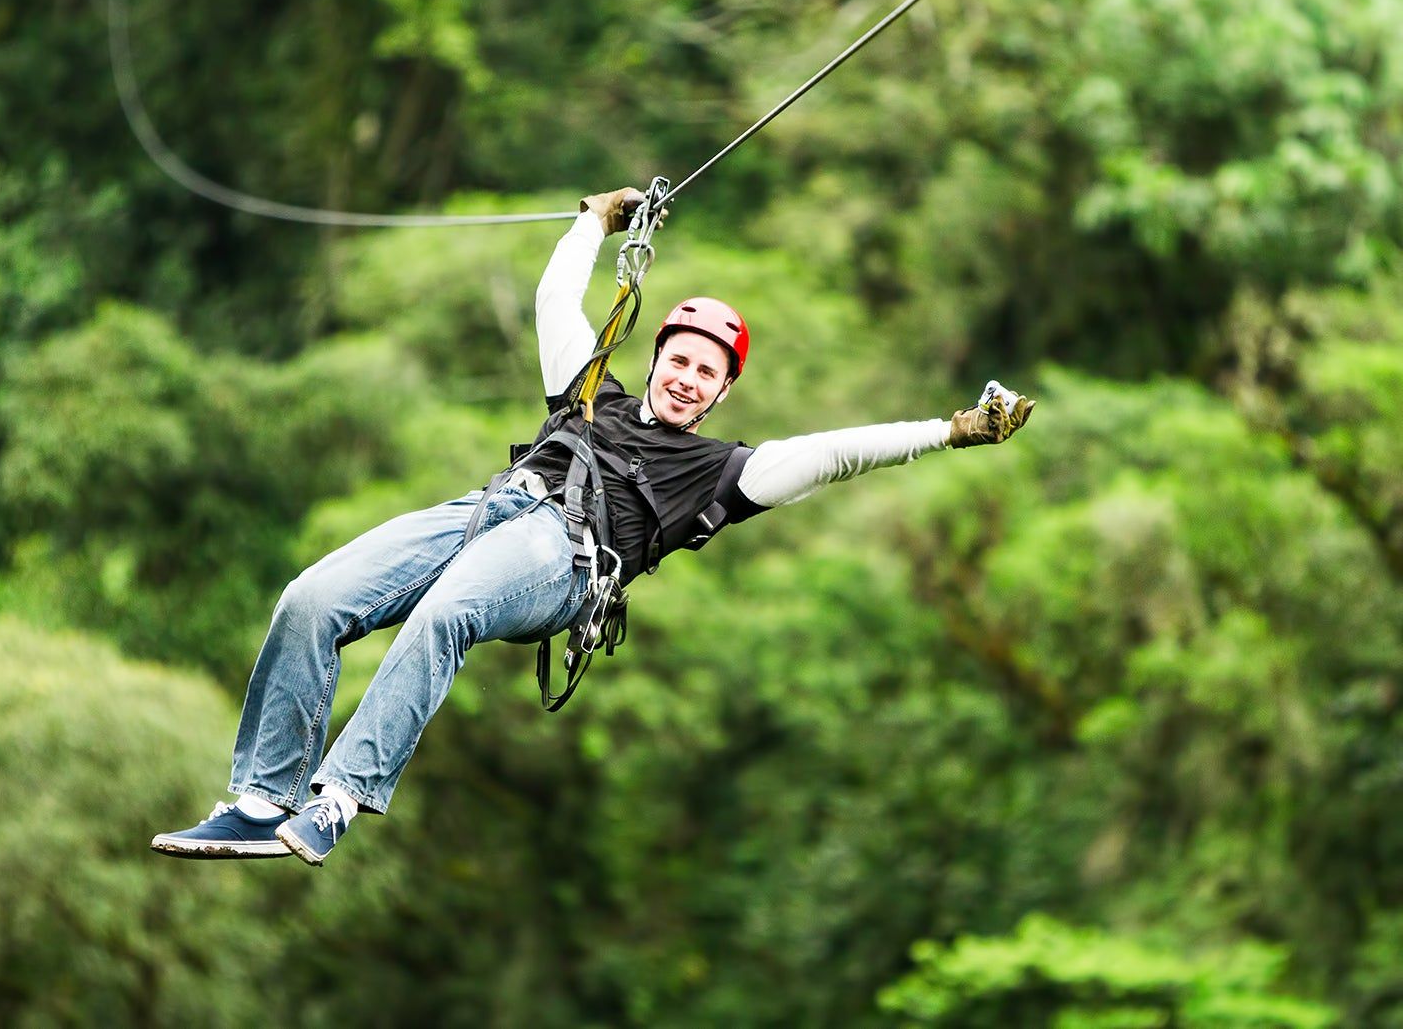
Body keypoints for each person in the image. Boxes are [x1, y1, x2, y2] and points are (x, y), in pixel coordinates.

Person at [151, 186, 1034, 867]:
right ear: (657, 361)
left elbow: (839, 451)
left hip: (566, 556)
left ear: (725, 392)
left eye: (708, 374)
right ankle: (262, 801)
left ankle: (338, 797)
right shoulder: (588, 393)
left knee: (445, 614)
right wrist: (592, 222)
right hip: (488, 510)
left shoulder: (724, 472)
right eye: (681, 361)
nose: (690, 379)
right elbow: (553, 304)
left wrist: (951, 430)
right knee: (313, 598)